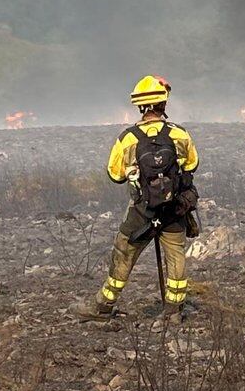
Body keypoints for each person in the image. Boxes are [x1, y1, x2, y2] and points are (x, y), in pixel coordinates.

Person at [80, 75, 200, 318]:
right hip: (174, 210)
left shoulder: (128, 138)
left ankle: (103, 306)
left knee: (123, 253)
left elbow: (115, 174)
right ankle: (174, 311)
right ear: (163, 104)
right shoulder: (180, 135)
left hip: (142, 211)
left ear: (140, 106)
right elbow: (192, 165)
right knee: (176, 257)